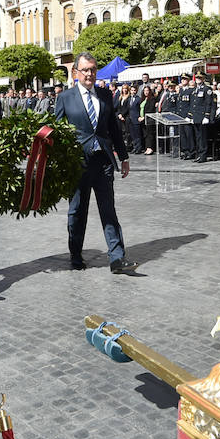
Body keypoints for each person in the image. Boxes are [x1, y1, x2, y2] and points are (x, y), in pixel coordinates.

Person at [55, 53, 136, 274]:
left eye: (93, 69)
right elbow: (56, 132)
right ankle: (75, 254)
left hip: (103, 163)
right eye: (85, 70)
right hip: (77, 164)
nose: (90, 74)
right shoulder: (65, 98)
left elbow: (114, 129)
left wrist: (124, 156)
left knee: (108, 210)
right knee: (77, 211)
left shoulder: (104, 95)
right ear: (76, 73)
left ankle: (117, 258)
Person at [190, 73, 216, 163]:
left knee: (202, 137)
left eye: (200, 78)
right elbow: (193, 104)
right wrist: (191, 116)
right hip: (196, 116)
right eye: (197, 78)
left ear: (203, 79)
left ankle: (203, 155)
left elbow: (209, 103)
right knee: (197, 137)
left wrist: (207, 116)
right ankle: (199, 154)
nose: (198, 79)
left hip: (202, 116)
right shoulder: (195, 90)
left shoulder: (207, 89)